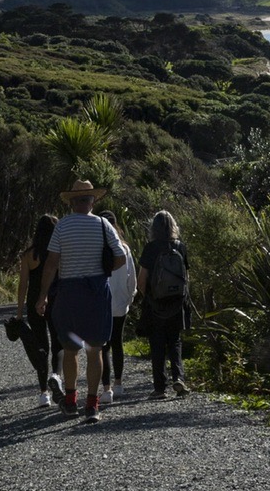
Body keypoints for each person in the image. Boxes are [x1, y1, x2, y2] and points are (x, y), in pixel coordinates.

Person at [34, 179, 123, 420]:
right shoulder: (105, 225)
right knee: (95, 350)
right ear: (92, 201)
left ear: (72, 202)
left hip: (69, 292)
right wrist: (103, 271)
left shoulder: (62, 226)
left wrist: (42, 296)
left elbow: (52, 263)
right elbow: (121, 257)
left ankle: (71, 400)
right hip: (96, 292)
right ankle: (92, 405)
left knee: (71, 349)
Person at [136, 208, 190, 399]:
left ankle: (160, 388)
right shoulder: (180, 246)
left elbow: (141, 280)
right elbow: (186, 278)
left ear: (154, 228)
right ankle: (179, 378)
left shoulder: (151, 248)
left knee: (157, 344)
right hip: (176, 303)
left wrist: (148, 296)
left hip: (155, 303)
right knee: (175, 341)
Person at [12, 213, 60, 407]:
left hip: (34, 302)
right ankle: (57, 378)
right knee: (58, 343)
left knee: (41, 346)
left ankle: (43, 393)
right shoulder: (57, 252)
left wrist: (19, 312)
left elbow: (22, 284)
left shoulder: (28, 255)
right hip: (55, 299)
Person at [97, 209, 135, 406]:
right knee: (118, 343)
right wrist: (129, 298)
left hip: (101, 303)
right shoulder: (125, 248)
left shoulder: (96, 247)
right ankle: (118, 383)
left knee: (103, 347)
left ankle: (106, 389)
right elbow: (132, 278)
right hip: (120, 303)